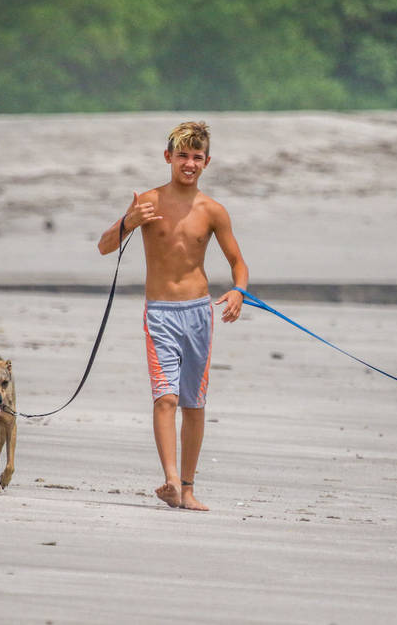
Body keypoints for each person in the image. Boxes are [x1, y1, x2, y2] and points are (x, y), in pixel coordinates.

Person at [97, 121, 248, 511]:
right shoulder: (149, 201)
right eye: (182, 155)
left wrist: (238, 291)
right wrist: (130, 220)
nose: (189, 163)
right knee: (165, 398)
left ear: (207, 162)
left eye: (197, 157)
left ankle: (188, 486)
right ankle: (169, 482)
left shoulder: (213, 210)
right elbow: (104, 247)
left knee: (194, 403)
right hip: (161, 314)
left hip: (199, 313)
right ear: (168, 157)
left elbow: (238, 263)